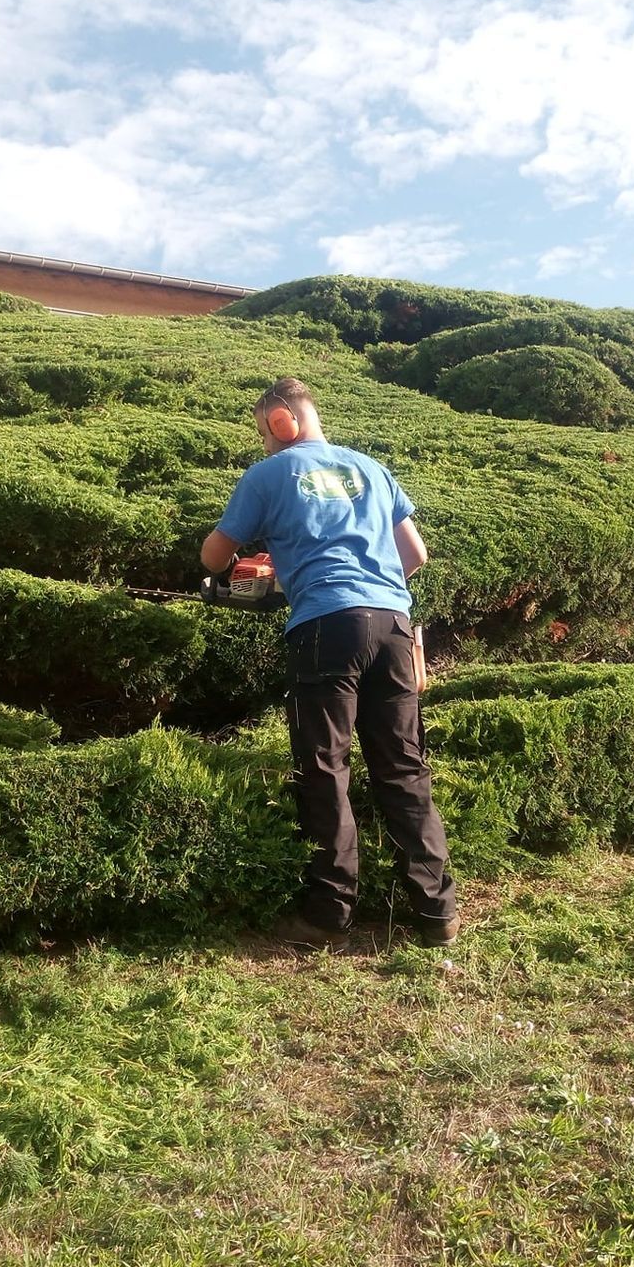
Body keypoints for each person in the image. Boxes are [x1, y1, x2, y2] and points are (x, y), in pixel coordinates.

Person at [202, 377, 461, 950]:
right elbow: (413, 555)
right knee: (403, 767)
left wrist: (272, 568)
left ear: (279, 421)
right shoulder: (371, 467)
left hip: (324, 627)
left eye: (263, 431)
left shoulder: (270, 472)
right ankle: (435, 912)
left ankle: (329, 915)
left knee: (325, 769)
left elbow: (214, 554)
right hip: (393, 625)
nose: (265, 443)